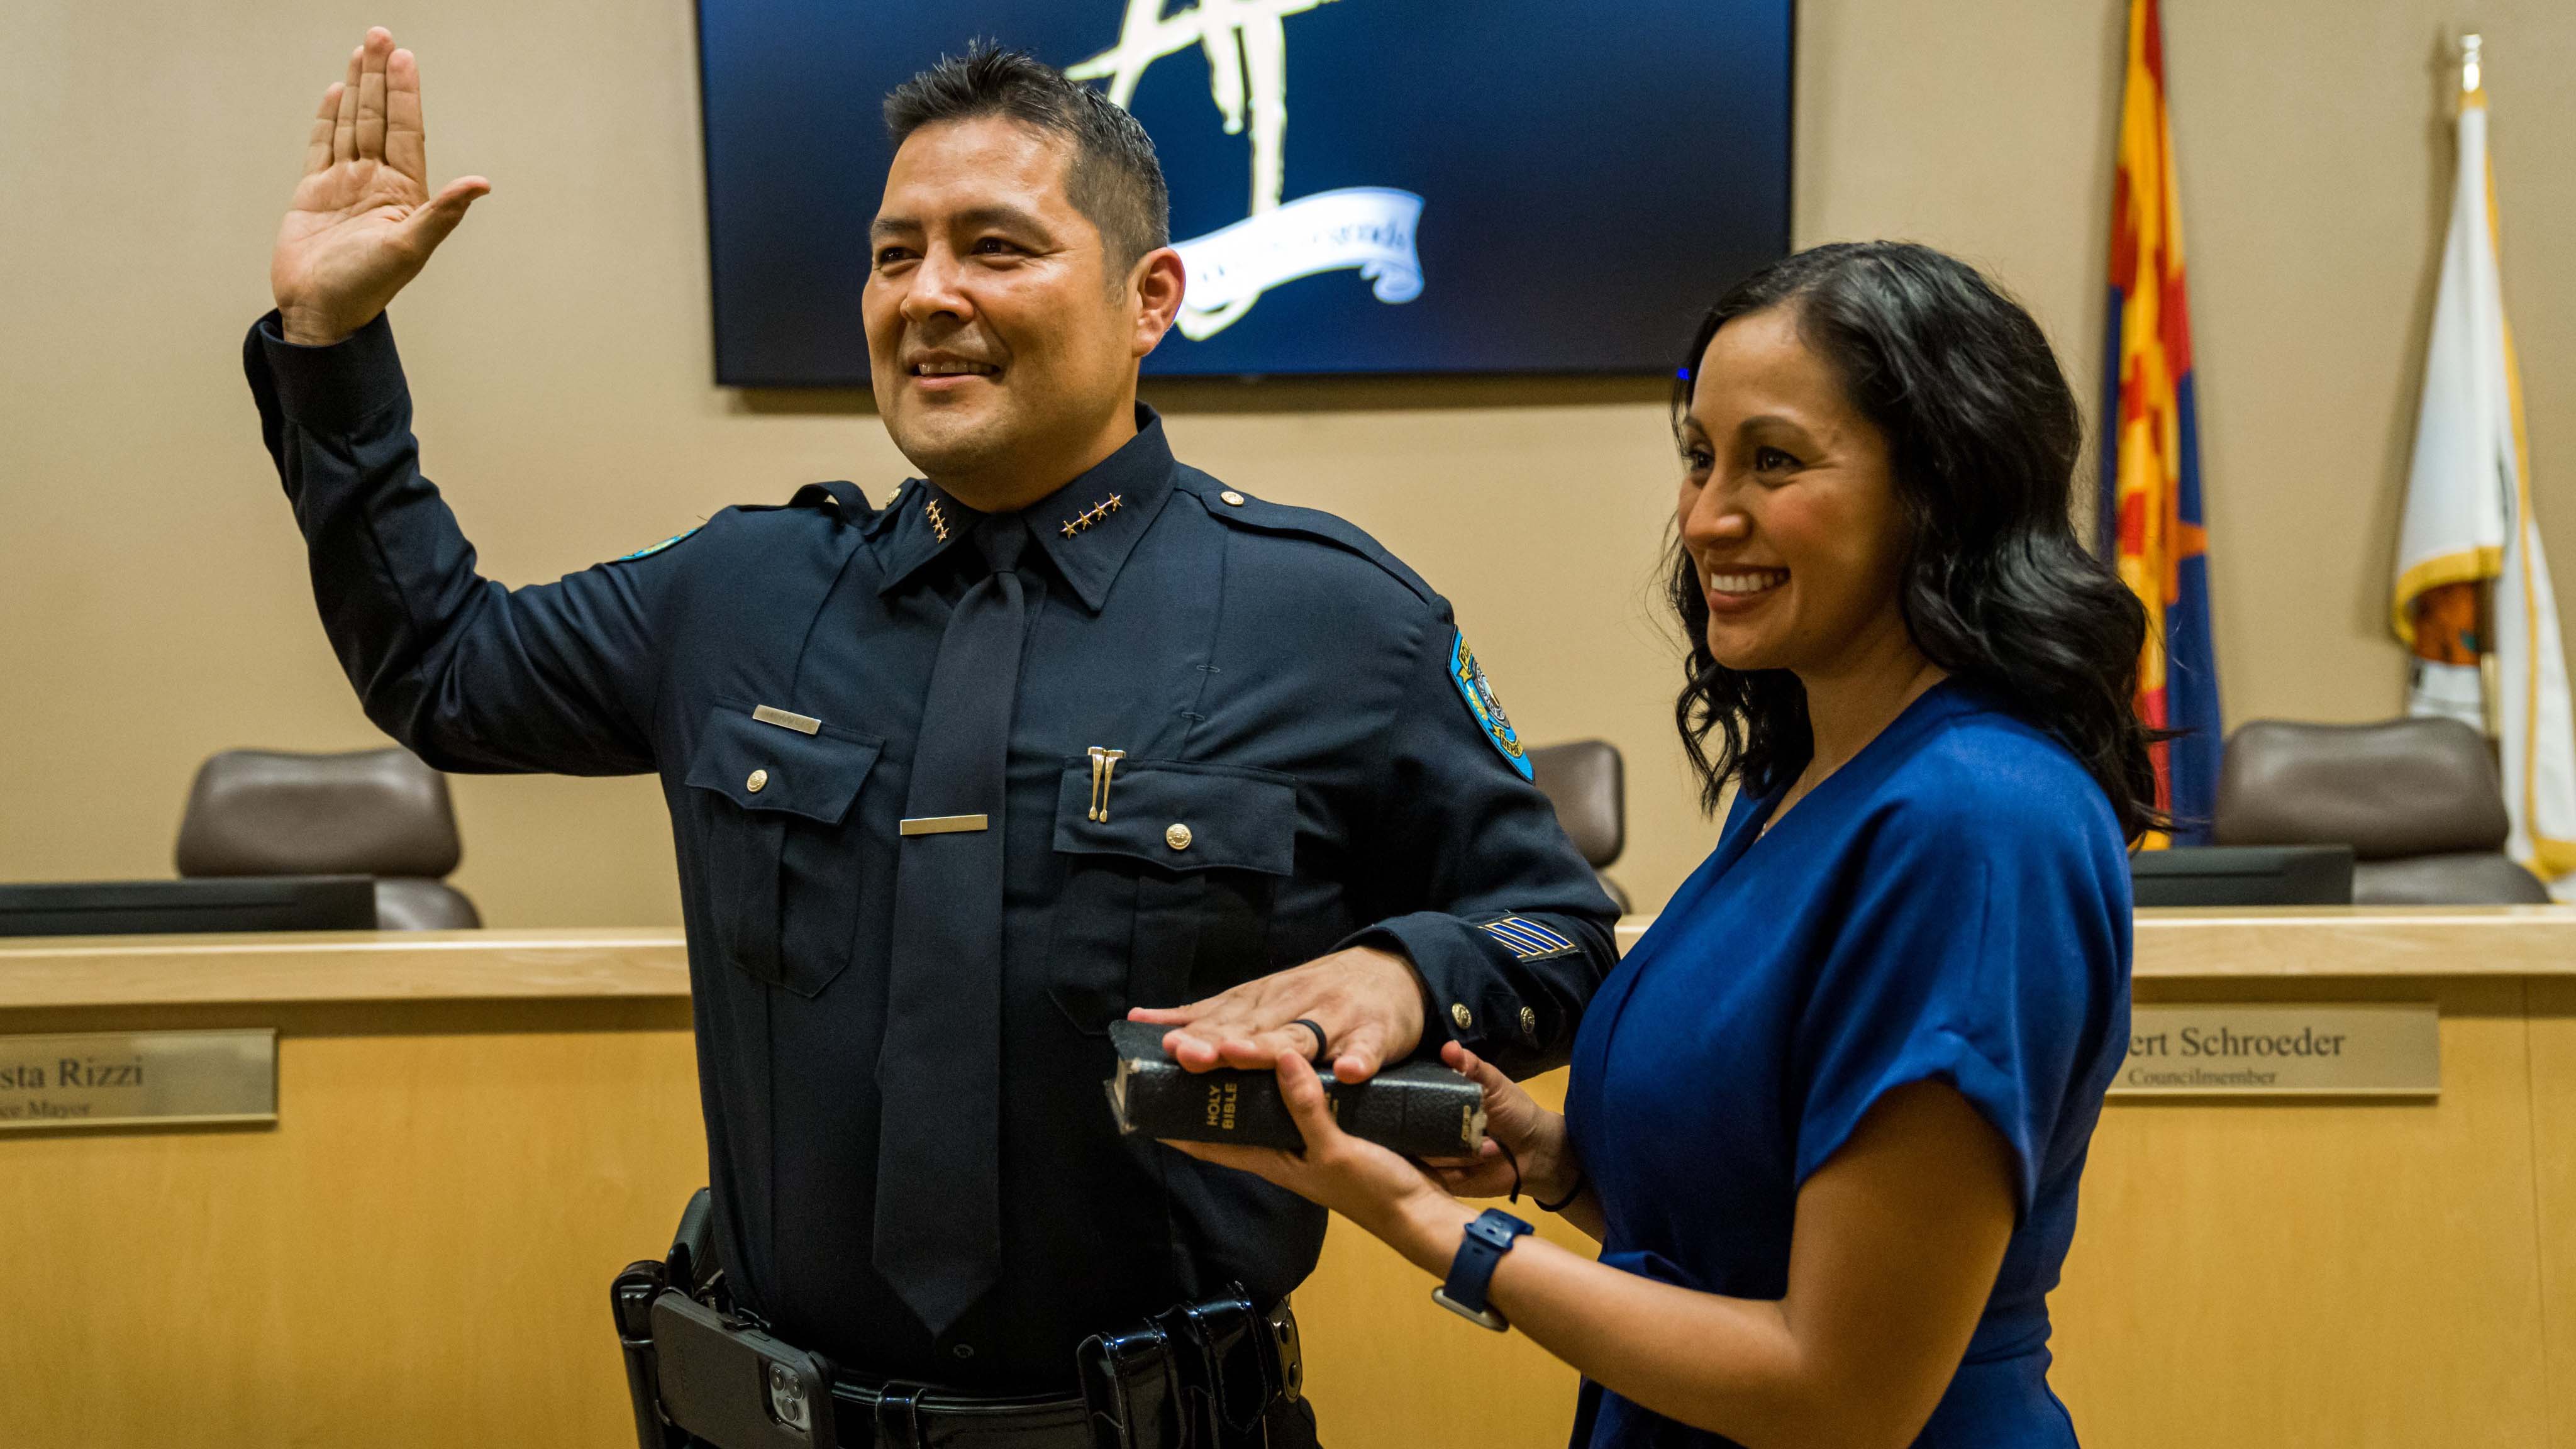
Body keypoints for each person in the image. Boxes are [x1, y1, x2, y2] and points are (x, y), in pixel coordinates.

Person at [243, 31, 1617, 1445]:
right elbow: (441, 667)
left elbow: (1556, 931)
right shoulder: (743, 592)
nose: (929, 296)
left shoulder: (1331, 620)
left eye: (994, 247)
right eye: (894, 254)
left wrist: (1400, 969)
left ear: (1149, 299)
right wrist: (333, 352)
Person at [1170, 242, 2154, 1448]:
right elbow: (1735, 1236)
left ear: (1939, 487)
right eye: (1698, 459)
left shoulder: (1977, 822)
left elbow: (1841, 1392)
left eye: (1774, 462)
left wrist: (1432, 1229)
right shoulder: (1805, 784)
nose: (1704, 518)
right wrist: (1544, 1158)